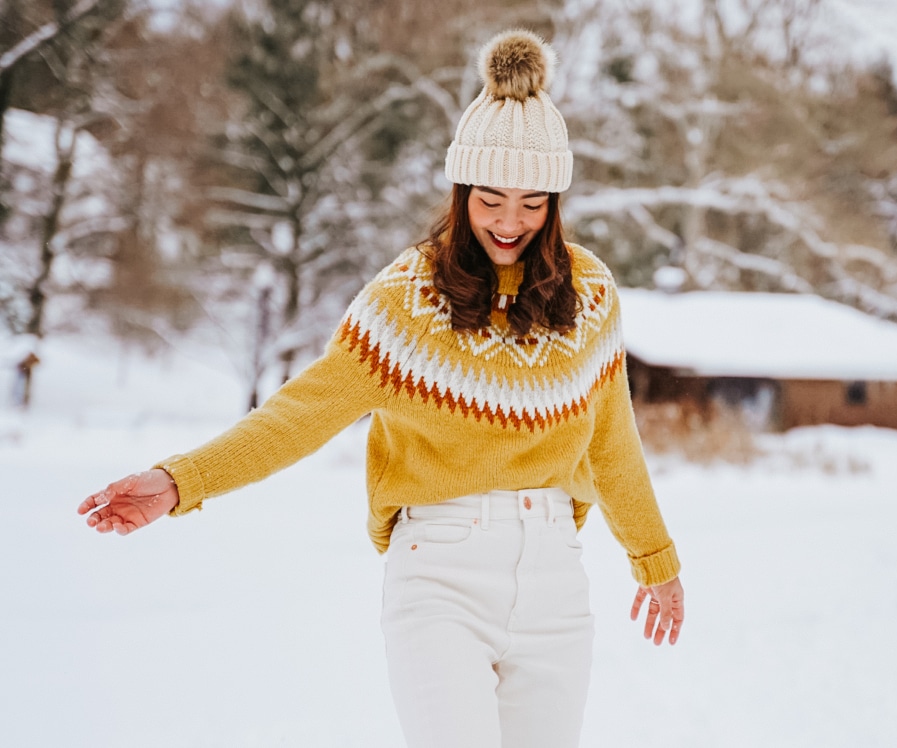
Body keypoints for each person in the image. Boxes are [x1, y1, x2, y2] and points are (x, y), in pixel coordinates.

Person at [77, 28, 683, 748]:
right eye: (491, 199)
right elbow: (299, 415)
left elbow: (612, 439)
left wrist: (656, 560)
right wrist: (180, 480)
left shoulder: (589, 293)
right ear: (461, 192)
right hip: (440, 578)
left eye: (533, 203)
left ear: (556, 201)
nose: (510, 222)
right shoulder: (406, 299)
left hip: (555, 576)